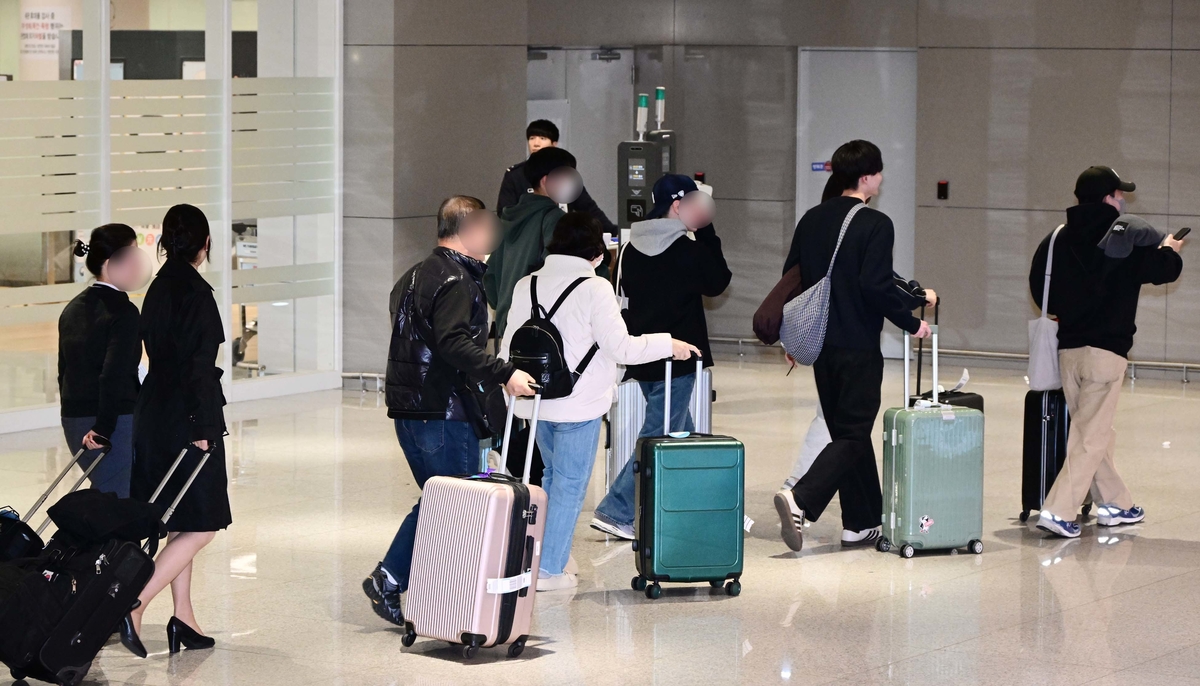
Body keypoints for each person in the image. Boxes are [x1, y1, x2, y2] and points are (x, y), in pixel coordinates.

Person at [500, 212, 700, 590]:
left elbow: (510, 344)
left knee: (551, 477)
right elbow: (620, 346)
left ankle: (546, 554)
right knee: (570, 485)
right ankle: (548, 570)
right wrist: (667, 343)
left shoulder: (527, 283)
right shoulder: (595, 288)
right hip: (579, 403)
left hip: (538, 400)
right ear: (595, 251)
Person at [363, 196, 538, 627]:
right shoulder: (457, 279)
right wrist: (504, 372)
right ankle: (391, 577)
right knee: (452, 502)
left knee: (441, 499)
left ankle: (425, 589)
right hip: (443, 411)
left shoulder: (412, 275)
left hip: (410, 408)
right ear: (471, 230)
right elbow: (454, 344)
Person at [772, 140, 932, 553]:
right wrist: (911, 324)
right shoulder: (875, 224)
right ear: (866, 177)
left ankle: (860, 523)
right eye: (878, 172)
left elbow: (793, 278)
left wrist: (793, 334)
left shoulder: (811, 219)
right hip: (857, 344)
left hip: (821, 345)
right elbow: (874, 286)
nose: (881, 179)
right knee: (854, 432)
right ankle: (800, 500)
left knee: (848, 431)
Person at [1028, 166, 1183, 538]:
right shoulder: (1124, 234)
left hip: (1068, 351)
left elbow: (1038, 287)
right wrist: (1170, 250)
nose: (1123, 200)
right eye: (1119, 194)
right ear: (1106, 198)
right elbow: (1162, 271)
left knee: (1093, 430)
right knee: (1090, 435)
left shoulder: (1056, 238)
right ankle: (1058, 511)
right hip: (1106, 351)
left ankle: (1117, 504)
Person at [590, 174, 731, 540]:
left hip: (644, 353)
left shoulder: (630, 249)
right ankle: (616, 510)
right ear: (678, 205)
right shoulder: (689, 247)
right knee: (658, 435)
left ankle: (688, 505)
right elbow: (718, 282)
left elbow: (624, 297)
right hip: (680, 355)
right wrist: (708, 232)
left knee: (682, 431)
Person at [124, 204, 230, 657]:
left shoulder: (157, 290)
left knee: (177, 520)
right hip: (188, 417)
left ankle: (183, 616)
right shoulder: (196, 295)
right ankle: (134, 603)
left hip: (155, 413)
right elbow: (200, 370)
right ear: (205, 245)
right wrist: (205, 427)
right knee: (202, 525)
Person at [58, 224, 146, 498]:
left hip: (75, 420)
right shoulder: (124, 312)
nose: (136, 266)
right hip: (111, 422)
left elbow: (64, 372)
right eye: (131, 258)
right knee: (117, 503)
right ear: (111, 263)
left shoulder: (72, 308)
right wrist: (103, 429)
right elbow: (114, 374)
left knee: (104, 494)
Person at [496, 119, 617, 234]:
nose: (536, 143)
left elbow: (588, 208)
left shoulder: (565, 173)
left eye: (542, 138)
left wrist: (612, 230)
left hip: (562, 233)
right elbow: (506, 212)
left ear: (554, 144)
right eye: (532, 138)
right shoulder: (516, 174)